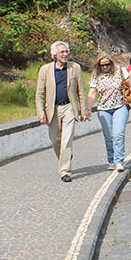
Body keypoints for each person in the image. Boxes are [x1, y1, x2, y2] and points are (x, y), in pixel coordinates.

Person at [35, 41, 89, 182]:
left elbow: (81, 91)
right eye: (62, 52)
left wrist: (83, 111)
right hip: (52, 109)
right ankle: (66, 157)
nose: (65, 54)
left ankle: (64, 171)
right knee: (55, 140)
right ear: (54, 54)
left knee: (66, 140)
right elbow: (40, 93)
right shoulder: (45, 70)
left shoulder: (75, 68)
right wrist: (40, 113)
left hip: (69, 107)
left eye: (66, 51)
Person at [86, 53, 131, 172]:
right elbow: (92, 93)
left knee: (118, 134)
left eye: (107, 64)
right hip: (103, 109)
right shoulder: (96, 75)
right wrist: (88, 109)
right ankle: (111, 160)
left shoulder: (120, 71)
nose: (105, 67)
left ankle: (119, 161)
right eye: (102, 65)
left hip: (120, 106)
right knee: (109, 136)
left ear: (111, 63)